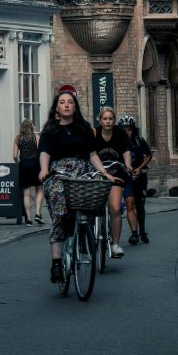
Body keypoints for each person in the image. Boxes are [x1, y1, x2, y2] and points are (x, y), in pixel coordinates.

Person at [38, 86, 119, 283]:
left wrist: (105, 173)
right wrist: (44, 169)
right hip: (59, 173)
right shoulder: (50, 130)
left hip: (81, 172)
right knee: (60, 213)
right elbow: (45, 153)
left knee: (88, 203)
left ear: (75, 107)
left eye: (70, 102)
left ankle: (83, 237)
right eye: (62, 102)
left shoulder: (84, 129)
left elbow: (92, 155)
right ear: (56, 108)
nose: (66, 105)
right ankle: (57, 263)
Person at [95, 106, 133, 257]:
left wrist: (128, 164)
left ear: (114, 120)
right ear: (100, 120)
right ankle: (90, 237)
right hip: (98, 173)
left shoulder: (120, 133)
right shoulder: (94, 133)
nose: (108, 121)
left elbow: (126, 151)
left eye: (110, 119)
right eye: (105, 119)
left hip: (116, 172)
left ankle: (115, 244)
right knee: (90, 207)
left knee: (115, 208)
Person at [117, 114, 153, 244]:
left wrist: (140, 167)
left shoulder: (139, 140)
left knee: (140, 206)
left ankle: (142, 231)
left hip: (140, 177)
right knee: (130, 203)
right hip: (127, 178)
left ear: (133, 129)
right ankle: (134, 234)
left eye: (129, 129)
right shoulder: (117, 143)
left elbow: (149, 155)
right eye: (123, 129)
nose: (126, 132)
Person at [13, 118, 43, 225]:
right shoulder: (36, 137)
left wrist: (18, 164)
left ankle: (29, 219)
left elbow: (15, 156)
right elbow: (40, 153)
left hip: (24, 166)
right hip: (35, 165)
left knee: (26, 194)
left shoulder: (18, 138)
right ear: (31, 127)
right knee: (39, 190)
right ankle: (38, 214)